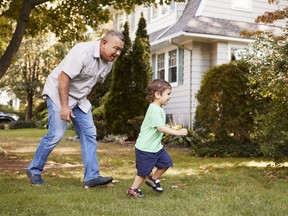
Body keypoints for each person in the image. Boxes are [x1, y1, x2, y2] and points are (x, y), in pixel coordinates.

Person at [26, 30, 125, 187]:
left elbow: (95, 84)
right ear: (104, 42)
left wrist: (88, 101)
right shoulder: (82, 51)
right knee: (56, 134)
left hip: (80, 98)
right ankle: (34, 170)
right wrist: (64, 106)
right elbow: (63, 77)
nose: (118, 53)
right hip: (59, 92)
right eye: (116, 48)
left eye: (120, 50)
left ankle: (91, 177)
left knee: (89, 133)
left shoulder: (109, 63)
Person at [127, 79, 188, 198]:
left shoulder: (158, 109)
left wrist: (170, 128)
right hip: (146, 148)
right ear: (158, 94)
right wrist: (177, 132)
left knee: (166, 163)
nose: (170, 97)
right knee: (143, 172)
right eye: (168, 94)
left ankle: (153, 179)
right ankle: (133, 189)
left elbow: (160, 126)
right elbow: (160, 128)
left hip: (156, 147)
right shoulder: (154, 109)